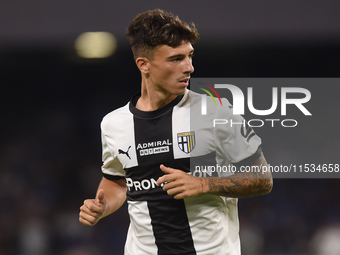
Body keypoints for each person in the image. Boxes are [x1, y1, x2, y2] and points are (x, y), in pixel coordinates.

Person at [79, 9, 273, 255]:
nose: (189, 67)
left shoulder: (217, 112)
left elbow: (262, 179)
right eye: (175, 59)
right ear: (143, 64)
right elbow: (117, 181)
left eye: (190, 56)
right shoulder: (113, 124)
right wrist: (103, 205)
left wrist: (204, 184)